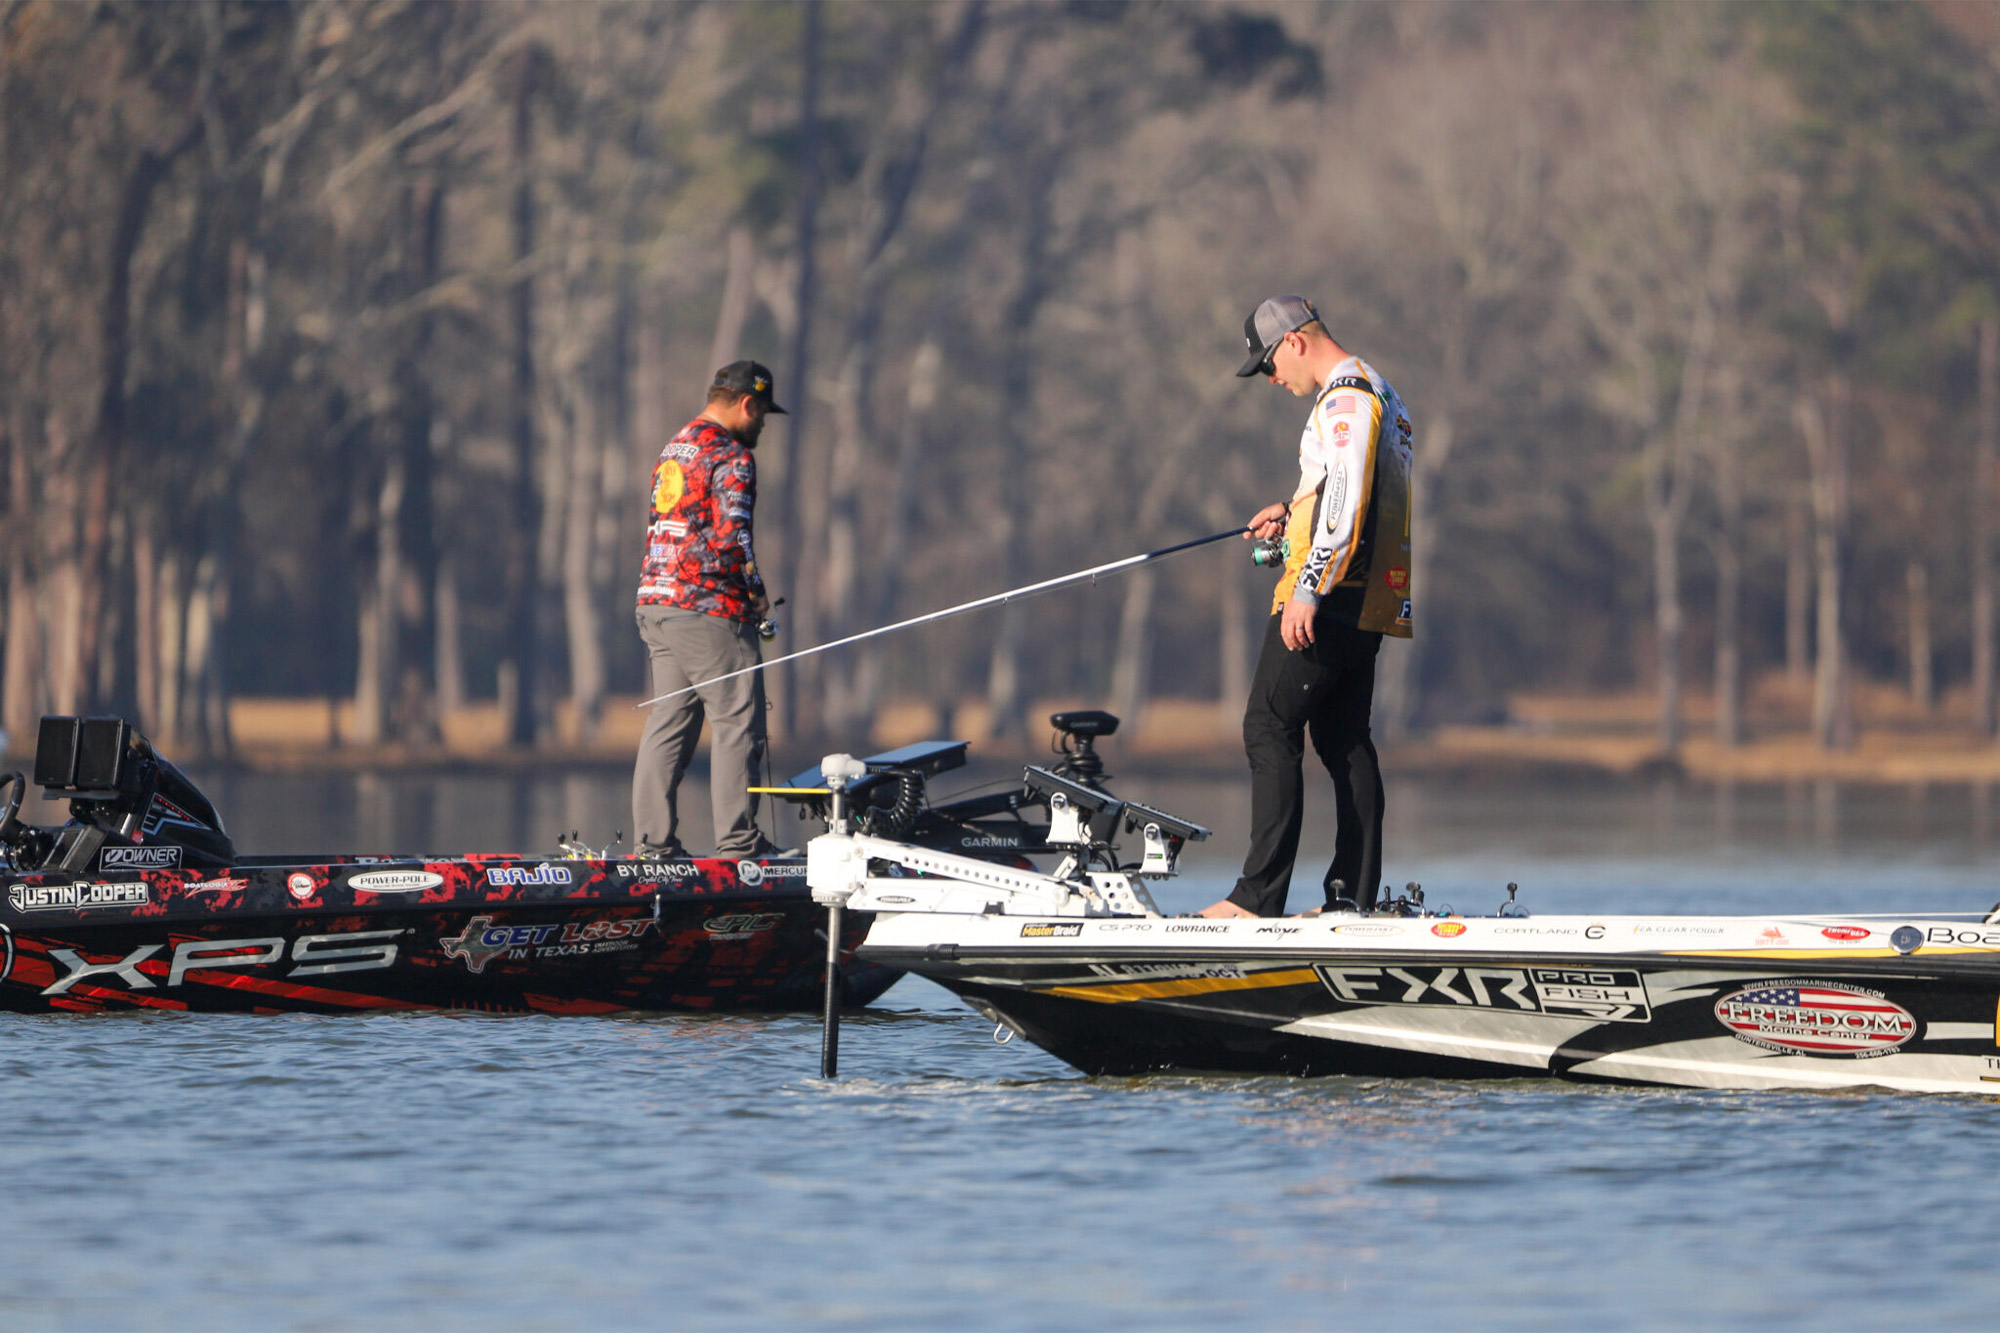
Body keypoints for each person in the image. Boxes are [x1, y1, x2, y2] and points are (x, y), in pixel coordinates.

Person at [1199, 295, 1414, 918]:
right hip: (1372, 599)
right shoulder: (1382, 393)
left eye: (1268, 363)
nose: (1271, 379)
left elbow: (1345, 502)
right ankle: (1351, 901)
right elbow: (1346, 493)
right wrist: (1292, 513)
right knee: (1345, 739)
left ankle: (1256, 898)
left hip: (1331, 597)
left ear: (1294, 340)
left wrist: (1308, 587)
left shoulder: (1343, 398)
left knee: (1267, 726)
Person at [632, 360, 787, 859]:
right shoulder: (733, 456)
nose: (763, 422)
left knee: (669, 723)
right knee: (738, 720)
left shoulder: (674, 447)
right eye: (762, 411)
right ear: (747, 403)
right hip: (708, 609)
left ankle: (652, 847)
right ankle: (739, 846)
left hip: (656, 601)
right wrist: (756, 593)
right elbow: (733, 537)